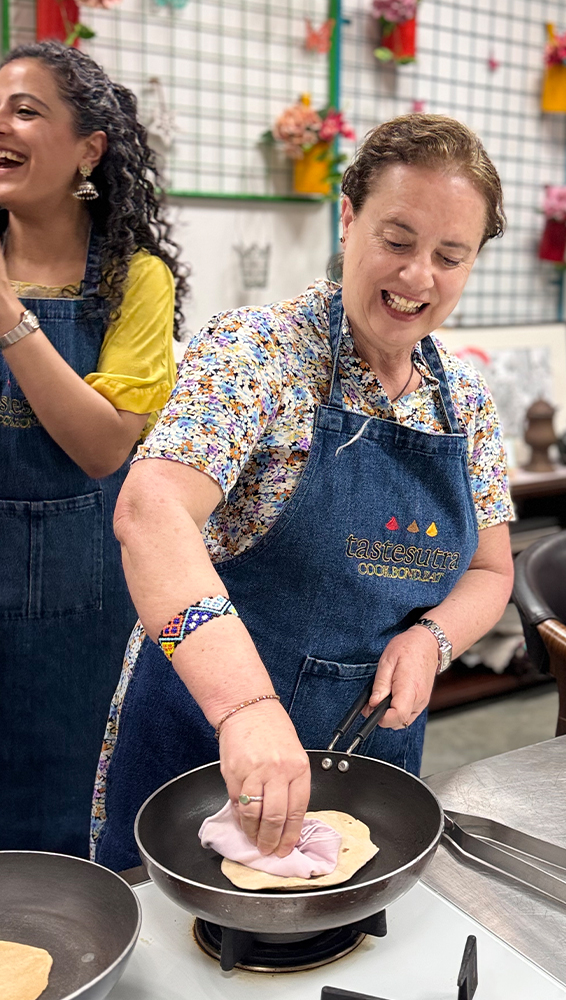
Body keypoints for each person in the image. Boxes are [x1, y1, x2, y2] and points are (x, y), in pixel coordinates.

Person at [93, 114, 514, 874]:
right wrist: (246, 708)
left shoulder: (464, 402)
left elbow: (490, 569)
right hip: (203, 738)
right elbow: (151, 512)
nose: (418, 277)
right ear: (348, 218)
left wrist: (433, 639)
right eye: (397, 240)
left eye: (450, 256)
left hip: (369, 753)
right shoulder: (258, 353)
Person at [0, 41, 187, 857]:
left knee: (64, 821)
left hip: (79, 604)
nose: (1, 126)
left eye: (24, 110)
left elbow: (104, 445)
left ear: (89, 149)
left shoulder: (133, 280)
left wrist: (7, 313)